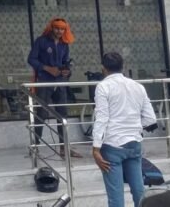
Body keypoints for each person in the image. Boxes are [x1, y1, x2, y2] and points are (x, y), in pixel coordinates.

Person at [91, 52, 157, 207]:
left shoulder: (103, 86)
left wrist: (95, 148)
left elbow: (101, 118)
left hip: (112, 145)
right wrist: (134, 126)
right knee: (139, 191)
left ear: (103, 68)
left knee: (116, 197)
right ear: (123, 67)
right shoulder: (138, 86)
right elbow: (151, 119)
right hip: (134, 144)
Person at [27, 17, 80, 158]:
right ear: (52, 28)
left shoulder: (64, 44)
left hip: (60, 82)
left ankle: (64, 148)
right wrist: (47, 68)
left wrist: (66, 70)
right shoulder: (41, 41)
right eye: (57, 28)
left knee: (62, 114)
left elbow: (65, 62)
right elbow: (31, 59)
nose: (59, 31)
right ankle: (35, 146)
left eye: (62, 29)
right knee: (41, 114)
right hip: (44, 81)